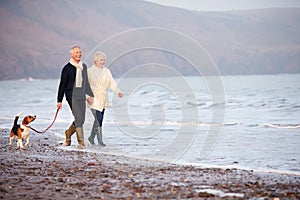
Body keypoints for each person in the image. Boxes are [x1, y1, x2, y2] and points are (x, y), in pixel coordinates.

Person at [57, 46, 94, 147]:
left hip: (81, 95)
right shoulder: (67, 68)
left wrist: (90, 95)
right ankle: (81, 143)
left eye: (80, 52)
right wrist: (59, 100)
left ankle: (68, 133)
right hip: (71, 95)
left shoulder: (84, 67)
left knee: (81, 119)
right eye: (76, 52)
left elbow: (86, 83)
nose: (79, 54)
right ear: (72, 54)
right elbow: (62, 85)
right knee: (78, 118)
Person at [87, 51, 123, 146]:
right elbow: (85, 85)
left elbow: (112, 83)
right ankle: (100, 141)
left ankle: (91, 137)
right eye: (100, 60)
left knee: (100, 119)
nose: (102, 62)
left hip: (103, 97)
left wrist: (118, 91)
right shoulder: (90, 71)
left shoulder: (106, 71)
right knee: (98, 118)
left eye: (103, 60)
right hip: (93, 98)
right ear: (95, 61)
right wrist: (87, 97)